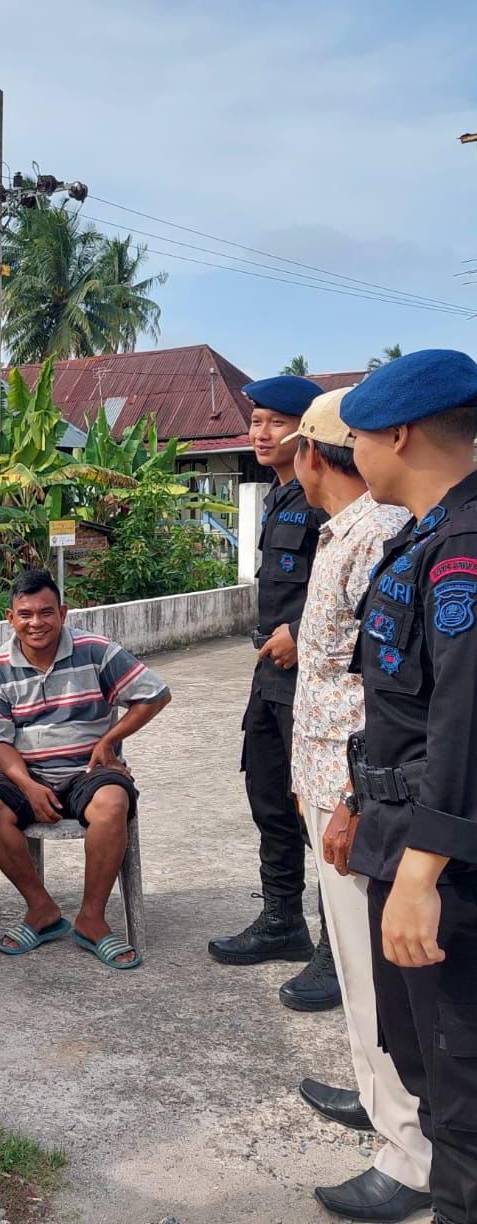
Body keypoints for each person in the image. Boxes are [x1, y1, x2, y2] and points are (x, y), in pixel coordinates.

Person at [282, 390, 429, 1222]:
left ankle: (408, 1152)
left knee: (377, 978)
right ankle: (381, 1103)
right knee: (354, 965)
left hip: (361, 794)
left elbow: (386, 690)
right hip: (334, 783)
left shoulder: (375, 535)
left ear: (314, 454)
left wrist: (346, 798)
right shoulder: (349, 533)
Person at [339, 349, 477, 1224]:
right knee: (423, 1056)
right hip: (401, 829)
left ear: (397, 434)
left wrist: (423, 869)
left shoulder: (464, 546)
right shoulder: (425, 533)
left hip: (448, 865)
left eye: (354, 437)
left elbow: (467, 721)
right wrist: (362, 805)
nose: (351, 452)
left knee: (463, 1090)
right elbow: (404, 702)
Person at [208, 373, 341, 1012]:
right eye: (256, 421)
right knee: (269, 796)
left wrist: (303, 634)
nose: (261, 433)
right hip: (270, 679)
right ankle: (283, 919)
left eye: (276, 422)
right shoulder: (280, 498)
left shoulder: (325, 499)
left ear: (307, 430)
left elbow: (346, 591)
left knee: (319, 814)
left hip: (312, 680)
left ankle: (338, 951)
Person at [0, 569, 170, 968]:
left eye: (46, 612)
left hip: (89, 769)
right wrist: (26, 785)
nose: (36, 623)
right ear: (10, 618)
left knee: (113, 803)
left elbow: (154, 694)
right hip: (29, 771)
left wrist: (108, 739)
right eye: (25, 614)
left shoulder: (95, 650)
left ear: (63, 612)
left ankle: (91, 919)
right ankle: (41, 909)